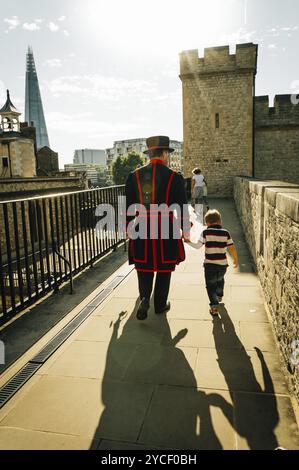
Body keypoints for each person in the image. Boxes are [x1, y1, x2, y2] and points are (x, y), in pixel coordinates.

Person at [125, 136, 191, 320]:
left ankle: (145, 298)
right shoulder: (174, 177)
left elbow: (127, 207)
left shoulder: (134, 176)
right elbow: (183, 208)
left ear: (149, 153)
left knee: (143, 266)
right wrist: (186, 231)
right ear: (164, 153)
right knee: (164, 268)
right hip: (166, 227)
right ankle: (160, 305)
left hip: (141, 226)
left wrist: (128, 228)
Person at [198, 209, 238, 316]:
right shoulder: (226, 233)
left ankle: (214, 307)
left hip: (209, 265)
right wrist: (235, 259)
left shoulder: (205, 232)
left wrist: (187, 241)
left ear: (207, 223)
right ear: (220, 221)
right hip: (222, 265)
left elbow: (197, 246)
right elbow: (232, 248)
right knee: (220, 279)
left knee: (210, 286)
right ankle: (219, 294)